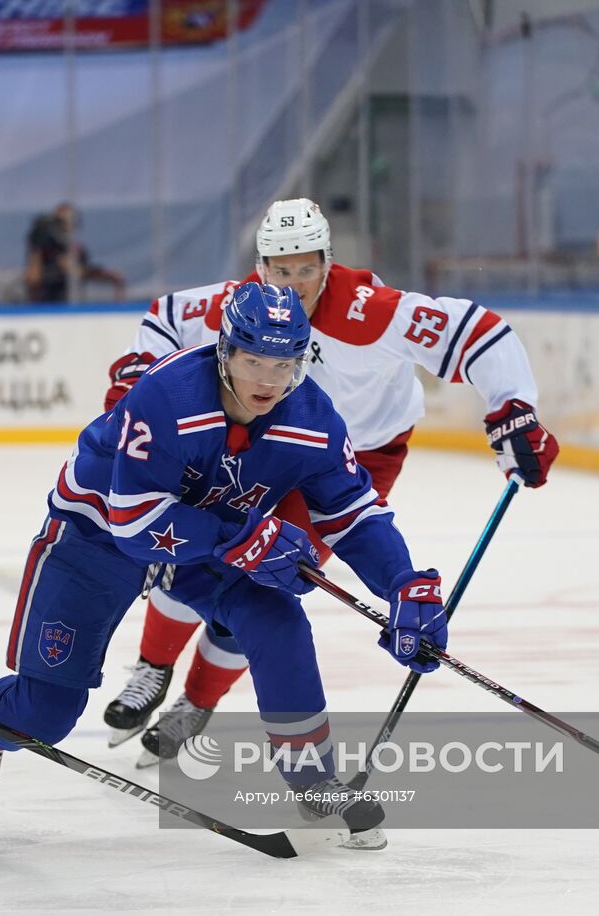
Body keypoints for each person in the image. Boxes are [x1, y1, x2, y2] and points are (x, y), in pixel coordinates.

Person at [0, 282, 449, 846]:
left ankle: (313, 779)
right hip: (97, 533)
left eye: (283, 363)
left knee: (275, 617)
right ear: (225, 350)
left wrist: (405, 586)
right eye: (253, 359)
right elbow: (135, 524)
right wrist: (245, 537)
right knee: (46, 713)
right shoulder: (166, 396)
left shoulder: (315, 419)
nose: (267, 379)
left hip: (207, 538)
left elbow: (354, 514)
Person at [102, 198, 557, 768]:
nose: (293, 283)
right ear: (262, 265)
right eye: (280, 269)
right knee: (198, 545)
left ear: (328, 261)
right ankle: (153, 665)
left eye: (307, 268)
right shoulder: (246, 305)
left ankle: (197, 701)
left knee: (263, 581)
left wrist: (514, 406)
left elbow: (479, 331)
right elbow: (166, 315)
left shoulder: (373, 311)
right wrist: (142, 368)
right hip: (263, 447)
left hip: (353, 460)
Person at [24, 202, 126, 303]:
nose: (66, 226)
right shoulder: (45, 250)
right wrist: (37, 248)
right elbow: (33, 278)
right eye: (59, 222)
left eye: (71, 221)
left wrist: (106, 274)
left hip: (70, 303)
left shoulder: (76, 249)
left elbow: (79, 271)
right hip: (46, 305)